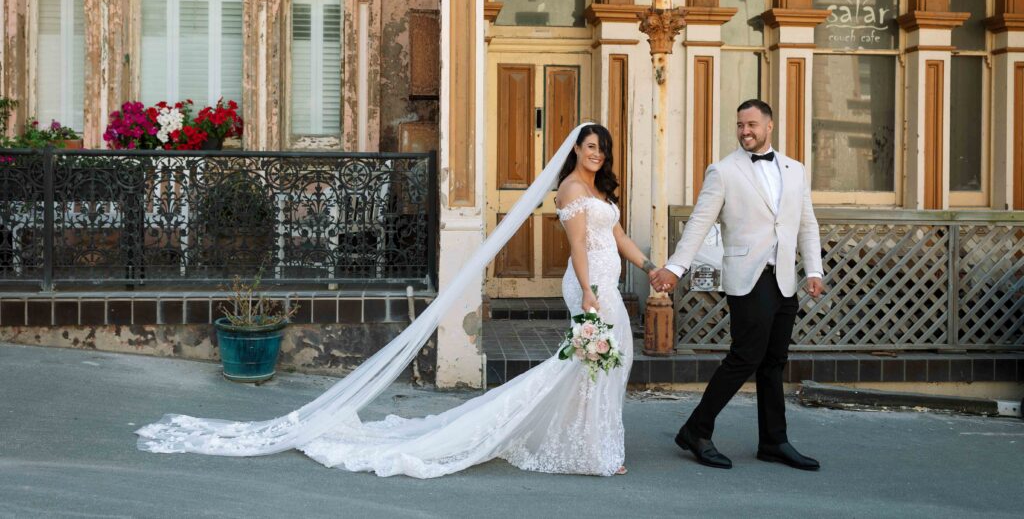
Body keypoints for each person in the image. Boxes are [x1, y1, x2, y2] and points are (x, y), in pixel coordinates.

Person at [136, 124, 657, 478]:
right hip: (589, 286)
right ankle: (594, 450)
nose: (595, 153)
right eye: (589, 146)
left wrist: (651, 268)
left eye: (600, 148)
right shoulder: (570, 190)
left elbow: (619, 239)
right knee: (591, 362)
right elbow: (577, 248)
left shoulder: (602, 193)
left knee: (599, 363)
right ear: (575, 151)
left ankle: (591, 444)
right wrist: (588, 291)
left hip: (607, 282)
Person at [649, 99, 825, 471]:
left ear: (769, 126)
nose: (745, 131)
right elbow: (699, 223)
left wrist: (814, 270)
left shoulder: (795, 170)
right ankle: (697, 430)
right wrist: (676, 268)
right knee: (745, 356)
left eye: (752, 125)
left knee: (774, 362)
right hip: (748, 277)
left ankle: (774, 441)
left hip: (784, 280)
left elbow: (807, 223)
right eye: (740, 125)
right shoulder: (723, 171)